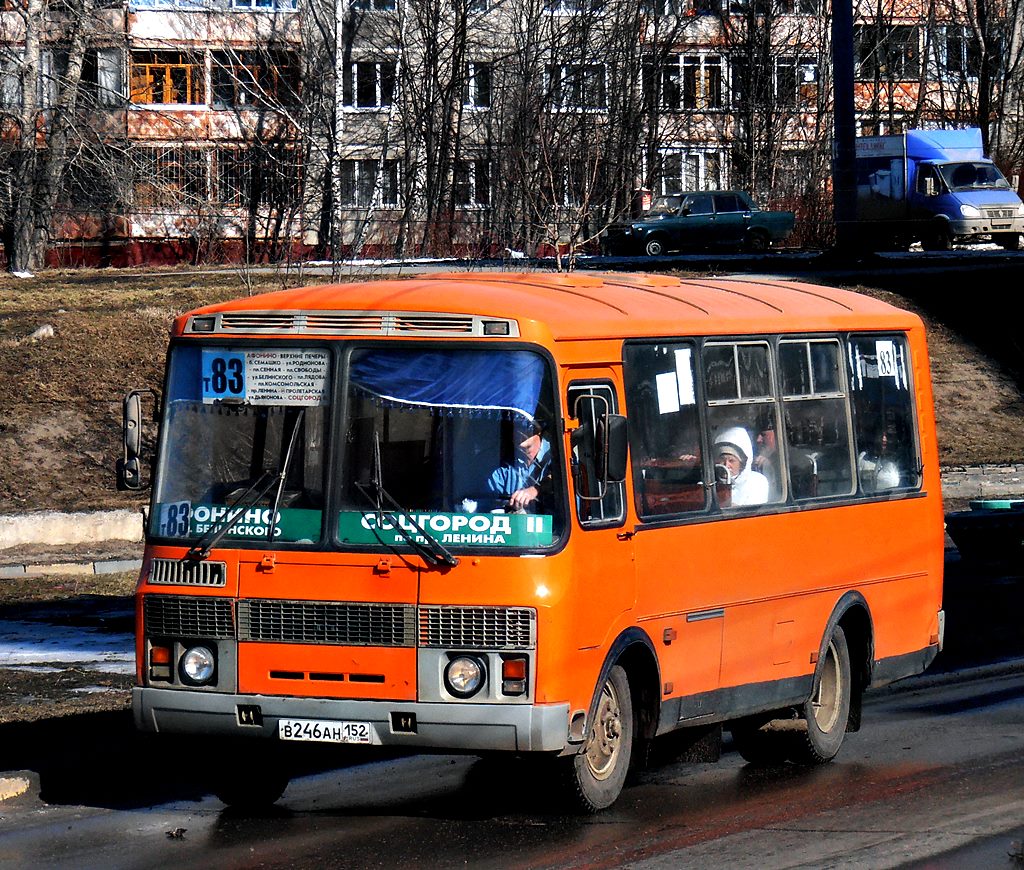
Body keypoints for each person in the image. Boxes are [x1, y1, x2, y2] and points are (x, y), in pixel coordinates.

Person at [487, 418, 551, 512]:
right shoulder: (502, 467)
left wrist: (536, 490)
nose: (519, 431)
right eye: (515, 426)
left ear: (539, 429)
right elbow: (491, 506)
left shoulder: (559, 454)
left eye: (525, 426)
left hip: (554, 525)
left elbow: (563, 479)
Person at [714, 426, 769, 507]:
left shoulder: (757, 482)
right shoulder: (710, 483)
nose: (726, 465)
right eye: (722, 460)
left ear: (742, 464)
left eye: (731, 460)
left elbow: (753, 513)